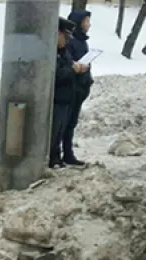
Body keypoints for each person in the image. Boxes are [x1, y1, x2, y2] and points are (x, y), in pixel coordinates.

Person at [50, 17, 86, 169]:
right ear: (57, 34)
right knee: (54, 131)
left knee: (61, 130)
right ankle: (52, 157)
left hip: (66, 97)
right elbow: (56, 75)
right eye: (65, 36)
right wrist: (73, 70)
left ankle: (57, 157)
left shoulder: (63, 52)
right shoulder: (52, 53)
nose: (67, 40)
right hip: (57, 98)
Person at [63, 9, 93, 167]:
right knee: (66, 123)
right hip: (72, 87)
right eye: (86, 21)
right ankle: (63, 154)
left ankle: (68, 153)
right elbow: (69, 63)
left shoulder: (82, 41)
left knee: (71, 122)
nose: (89, 24)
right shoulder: (71, 41)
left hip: (81, 87)